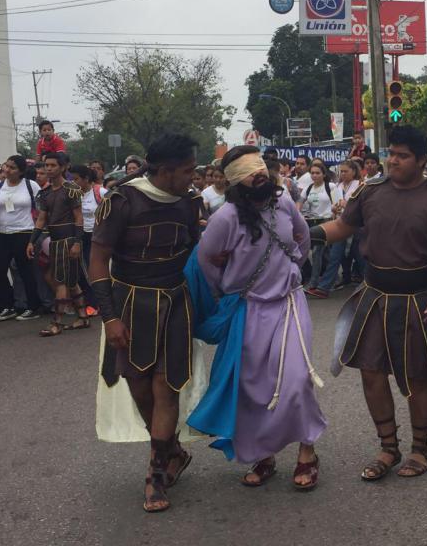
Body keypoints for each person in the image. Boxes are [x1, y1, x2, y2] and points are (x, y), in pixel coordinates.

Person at [311, 125, 427, 480]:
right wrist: (306, 234)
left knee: (416, 376)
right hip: (375, 296)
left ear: (422, 161)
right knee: (371, 373)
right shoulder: (370, 192)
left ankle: (420, 451)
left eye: (402, 156)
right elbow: (342, 227)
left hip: (421, 298)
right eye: (391, 154)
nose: (393, 161)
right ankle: (387, 447)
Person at [189, 145, 326, 490]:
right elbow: (207, 261)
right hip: (249, 310)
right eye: (250, 171)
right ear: (236, 181)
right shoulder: (225, 219)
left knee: (296, 380)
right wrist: (228, 291)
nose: (260, 174)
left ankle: (307, 451)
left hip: (290, 304)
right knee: (253, 388)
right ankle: (264, 456)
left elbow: (303, 238)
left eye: (261, 168)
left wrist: (292, 268)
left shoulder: (284, 204)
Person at [90, 133, 203, 513]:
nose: (194, 176)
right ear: (166, 171)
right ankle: (173, 452)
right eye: (188, 170)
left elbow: (197, 251)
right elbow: (97, 260)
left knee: (165, 387)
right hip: (129, 305)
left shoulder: (190, 202)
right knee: (139, 386)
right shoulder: (121, 201)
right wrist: (109, 317)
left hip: (175, 303)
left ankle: (155, 475)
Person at [26, 152, 89, 336]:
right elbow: (41, 220)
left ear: (63, 167)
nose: (49, 168)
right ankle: (83, 317)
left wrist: (77, 242)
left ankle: (57, 323)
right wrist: (31, 241)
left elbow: (79, 218)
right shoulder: (45, 193)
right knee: (71, 282)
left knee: (61, 281)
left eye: (53, 165)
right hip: (55, 240)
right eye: (47, 165)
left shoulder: (71, 189)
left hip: (69, 240)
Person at [0, 156, 42, 321]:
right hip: (3, 233)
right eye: (7, 166)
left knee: (25, 271)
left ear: (22, 171)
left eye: (13, 168)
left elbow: (42, 209)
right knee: (0, 270)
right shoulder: (1, 186)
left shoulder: (31, 186)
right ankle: (7, 305)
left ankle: (33, 306)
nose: (8, 170)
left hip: (24, 232)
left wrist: (38, 233)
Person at [311, 160, 361, 298]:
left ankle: (370, 284)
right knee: (335, 256)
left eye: (346, 171)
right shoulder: (338, 186)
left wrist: (347, 204)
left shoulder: (360, 186)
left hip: (356, 227)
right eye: (341, 171)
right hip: (341, 224)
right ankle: (323, 288)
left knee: (361, 257)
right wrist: (334, 208)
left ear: (354, 172)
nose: (343, 174)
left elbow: (361, 205)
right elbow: (334, 205)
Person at [301, 162, 341, 297]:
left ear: (324, 174)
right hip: (313, 223)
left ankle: (313, 283)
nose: (314, 175)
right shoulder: (308, 188)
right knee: (325, 254)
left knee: (317, 253)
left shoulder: (331, 186)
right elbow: (299, 203)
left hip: (328, 223)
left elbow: (338, 204)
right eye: (312, 173)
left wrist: (334, 211)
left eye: (317, 173)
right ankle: (334, 279)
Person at [71, 165, 106, 316]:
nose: (73, 182)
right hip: (82, 236)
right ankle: (93, 302)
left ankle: (98, 303)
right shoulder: (75, 195)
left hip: (99, 236)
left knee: (99, 269)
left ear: (86, 179)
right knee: (86, 271)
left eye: (76, 179)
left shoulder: (100, 192)